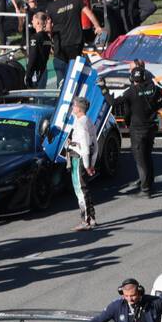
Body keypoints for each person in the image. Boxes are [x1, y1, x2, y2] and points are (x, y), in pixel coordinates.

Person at [115, 61, 162, 197]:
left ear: (132, 78)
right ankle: (149, 182)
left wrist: (103, 90)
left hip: (137, 130)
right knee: (148, 156)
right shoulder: (152, 87)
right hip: (150, 128)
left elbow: (114, 103)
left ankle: (145, 189)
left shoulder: (130, 92)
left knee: (140, 160)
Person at [47, 0, 102, 85]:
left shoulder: (51, 7)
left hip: (60, 45)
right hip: (76, 42)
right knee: (76, 69)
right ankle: (78, 86)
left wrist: (49, 40)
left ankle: (62, 87)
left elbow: (48, 26)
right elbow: (88, 13)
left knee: (61, 69)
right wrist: (97, 26)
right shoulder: (76, 1)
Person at [67, 97, 99, 230]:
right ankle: (91, 218)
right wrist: (92, 162)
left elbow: (85, 148)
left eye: (74, 106)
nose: (72, 108)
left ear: (79, 109)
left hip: (79, 159)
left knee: (81, 190)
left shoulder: (81, 124)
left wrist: (88, 166)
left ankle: (86, 221)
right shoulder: (85, 120)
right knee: (84, 189)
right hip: (82, 159)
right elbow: (95, 145)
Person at [24, 9, 53, 88]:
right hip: (44, 70)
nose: (32, 22)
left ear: (37, 22)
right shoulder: (47, 37)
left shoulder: (35, 37)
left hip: (36, 72)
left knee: (35, 95)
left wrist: (28, 73)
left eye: (33, 20)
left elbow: (33, 56)